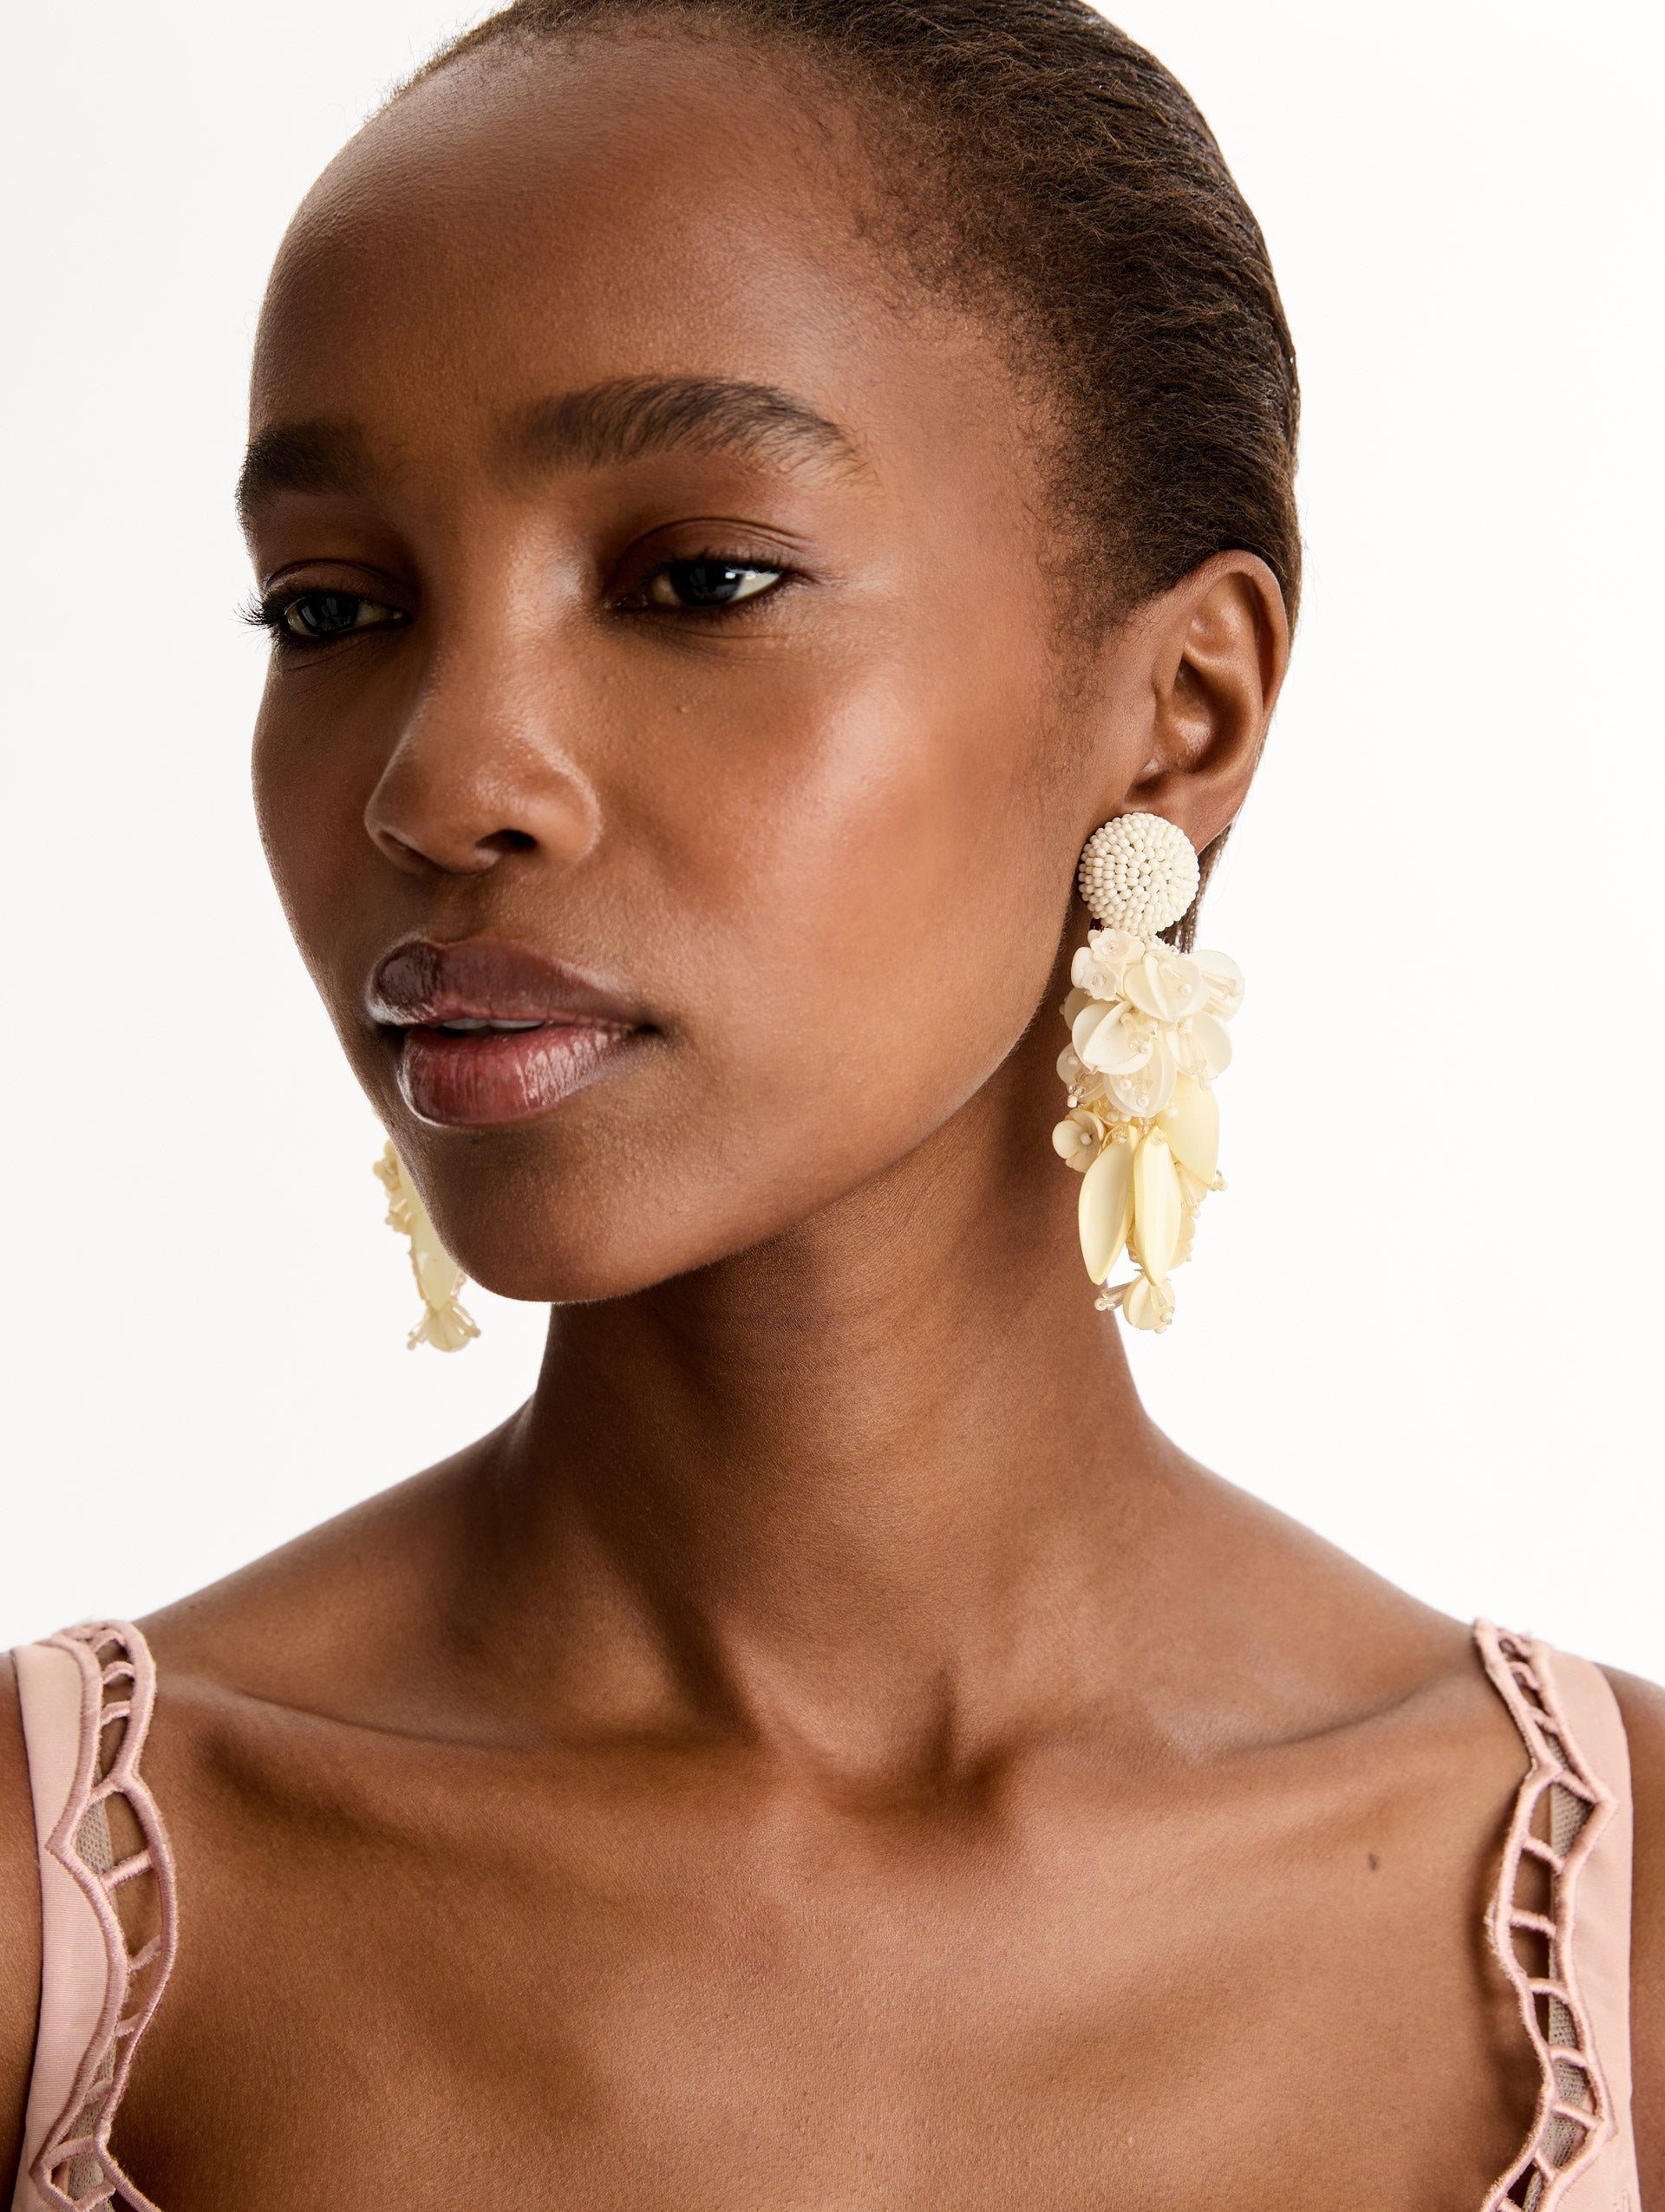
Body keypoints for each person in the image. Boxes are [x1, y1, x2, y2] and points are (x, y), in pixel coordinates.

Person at [4, 2, 1659, 2203]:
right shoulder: (72, 1924)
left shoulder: (1607, 1940)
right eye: (334, 606)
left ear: (1180, 711)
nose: (444, 777)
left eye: (701, 582)